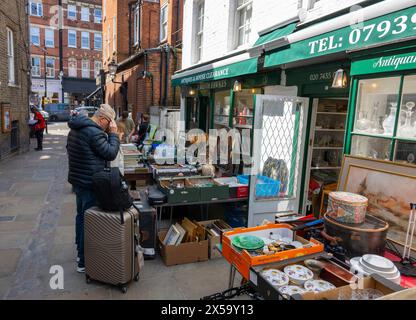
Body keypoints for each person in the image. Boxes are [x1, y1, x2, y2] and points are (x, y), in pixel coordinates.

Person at [66, 104, 120, 273]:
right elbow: (110, 153)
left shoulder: (76, 128)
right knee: (90, 222)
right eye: (109, 123)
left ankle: (79, 252)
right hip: (90, 182)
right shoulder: (94, 132)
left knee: (81, 217)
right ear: (103, 119)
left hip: (78, 181)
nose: (109, 126)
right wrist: (114, 135)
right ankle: (83, 261)